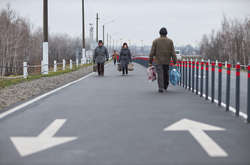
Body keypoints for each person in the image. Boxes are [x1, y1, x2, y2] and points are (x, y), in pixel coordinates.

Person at [149, 27, 177, 93]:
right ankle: (165, 85)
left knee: (160, 74)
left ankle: (161, 87)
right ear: (166, 33)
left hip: (158, 61)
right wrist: (175, 61)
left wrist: (150, 62)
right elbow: (173, 52)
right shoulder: (170, 41)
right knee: (166, 73)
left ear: (160, 33)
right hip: (167, 61)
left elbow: (152, 52)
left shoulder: (155, 41)